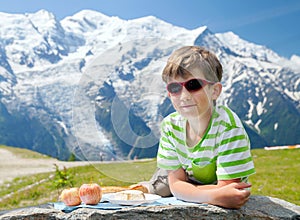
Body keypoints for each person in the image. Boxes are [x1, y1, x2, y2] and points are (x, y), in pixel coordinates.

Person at [132, 45, 255, 209]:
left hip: (192, 179)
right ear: (169, 94)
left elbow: (227, 190)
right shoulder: (170, 126)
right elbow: (178, 186)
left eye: (194, 85)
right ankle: (143, 187)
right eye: (175, 88)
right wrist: (211, 195)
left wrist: (187, 190)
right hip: (183, 176)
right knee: (160, 188)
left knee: (165, 188)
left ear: (215, 91)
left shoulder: (228, 127)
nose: (184, 96)